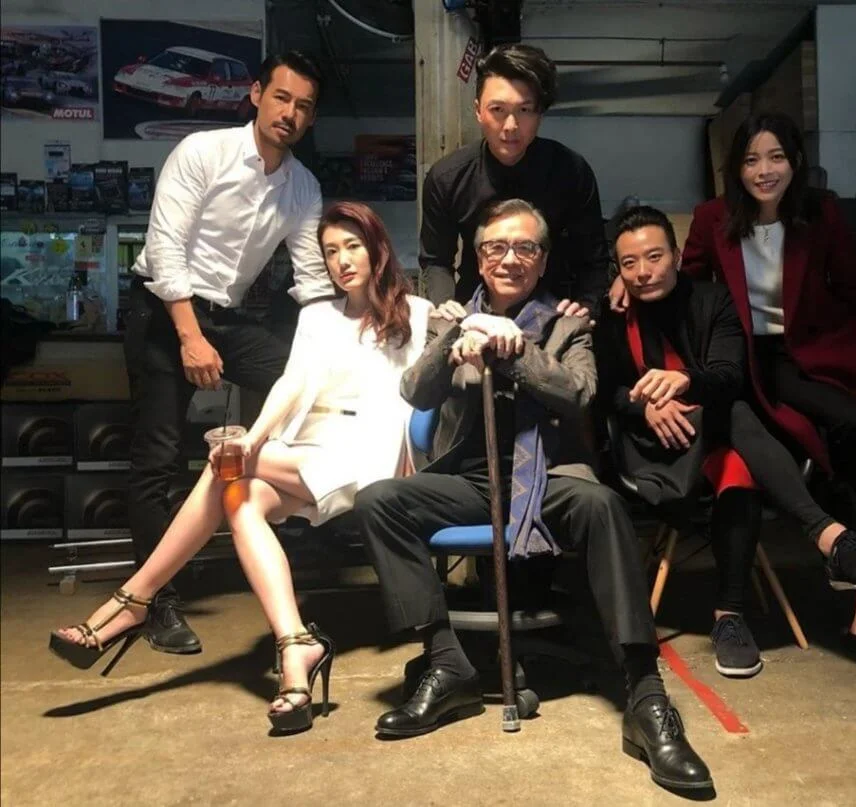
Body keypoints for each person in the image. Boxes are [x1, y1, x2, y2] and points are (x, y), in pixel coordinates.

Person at [354, 198, 713, 794]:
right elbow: (415, 391)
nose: (510, 259)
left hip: (551, 480)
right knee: (379, 502)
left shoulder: (569, 325)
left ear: (542, 261)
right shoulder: (451, 319)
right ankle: (447, 664)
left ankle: (646, 697)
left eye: (525, 248)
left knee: (602, 506)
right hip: (471, 480)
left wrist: (517, 350)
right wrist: (457, 338)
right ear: (479, 259)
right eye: (496, 247)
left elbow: (579, 392)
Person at [50, 202, 434, 735]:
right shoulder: (317, 316)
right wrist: (254, 439)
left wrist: (477, 322)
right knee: (241, 497)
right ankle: (296, 646)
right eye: (330, 252)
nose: (342, 261)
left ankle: (134, 599)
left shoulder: (418, 312)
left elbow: (466, 339)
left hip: (368, 452)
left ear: (377, 249)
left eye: (352, 246)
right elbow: (292, 384)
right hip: (311, 447)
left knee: (224, 469)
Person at [609, 112, 856, 645]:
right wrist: (627, 277)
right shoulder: (714, 217)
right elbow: (682, 277)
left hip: (819, 347)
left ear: (795, 161)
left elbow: (854, 281)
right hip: (752, 356)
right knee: (807, 433)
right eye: (751, 159)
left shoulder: (820, 211)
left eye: (776, 157)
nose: (764, 170)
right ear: (736, 168)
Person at [122, 51, 338, 655]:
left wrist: (349, 339)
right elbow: (166, 249)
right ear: (256, 94)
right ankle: (152, 603)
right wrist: (190, 337)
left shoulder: (302, 186)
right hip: (162, 312)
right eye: (281, 98)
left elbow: (311, 279)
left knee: (305, 379)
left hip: (227, 317)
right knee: (159, 454)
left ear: (311, 117)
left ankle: (293, 521)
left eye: (303, 106)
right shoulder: (202, 152)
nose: (289, 113)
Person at [420, 43, 609, 321]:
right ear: (478, 111)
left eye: (524, 110)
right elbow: (436, 260)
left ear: (539, 113)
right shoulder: (447, 177)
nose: (510, 125)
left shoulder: (571, 171)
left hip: (555, 312)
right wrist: (444, 305)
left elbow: (593, 257)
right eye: (497, 109)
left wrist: (586, 305)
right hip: (473, 314)